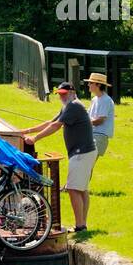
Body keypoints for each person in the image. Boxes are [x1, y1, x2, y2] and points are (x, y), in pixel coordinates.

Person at [23, 82, 97, 233]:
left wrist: (35, 139)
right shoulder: (68, 106)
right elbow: (50, 122)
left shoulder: (74, 106)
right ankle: (82, 224)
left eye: (64, 93)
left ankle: (80, 226)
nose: (62, 96)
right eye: (60, 94)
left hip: (81, 153)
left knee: (73, 188)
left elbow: (56, 126)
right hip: (83, 152)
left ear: (72, 92)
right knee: (81, 189)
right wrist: (25, 131)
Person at [86, 73, 115, 159]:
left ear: (98, 85)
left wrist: (83, 124)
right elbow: (87, 116)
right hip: (92, 135)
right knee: (85, 166)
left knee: (87, 165)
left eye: (91, 83)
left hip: (99, 137)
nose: (88, 85)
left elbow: (100, 120)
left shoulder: (106, 100)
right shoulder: (94, 99)